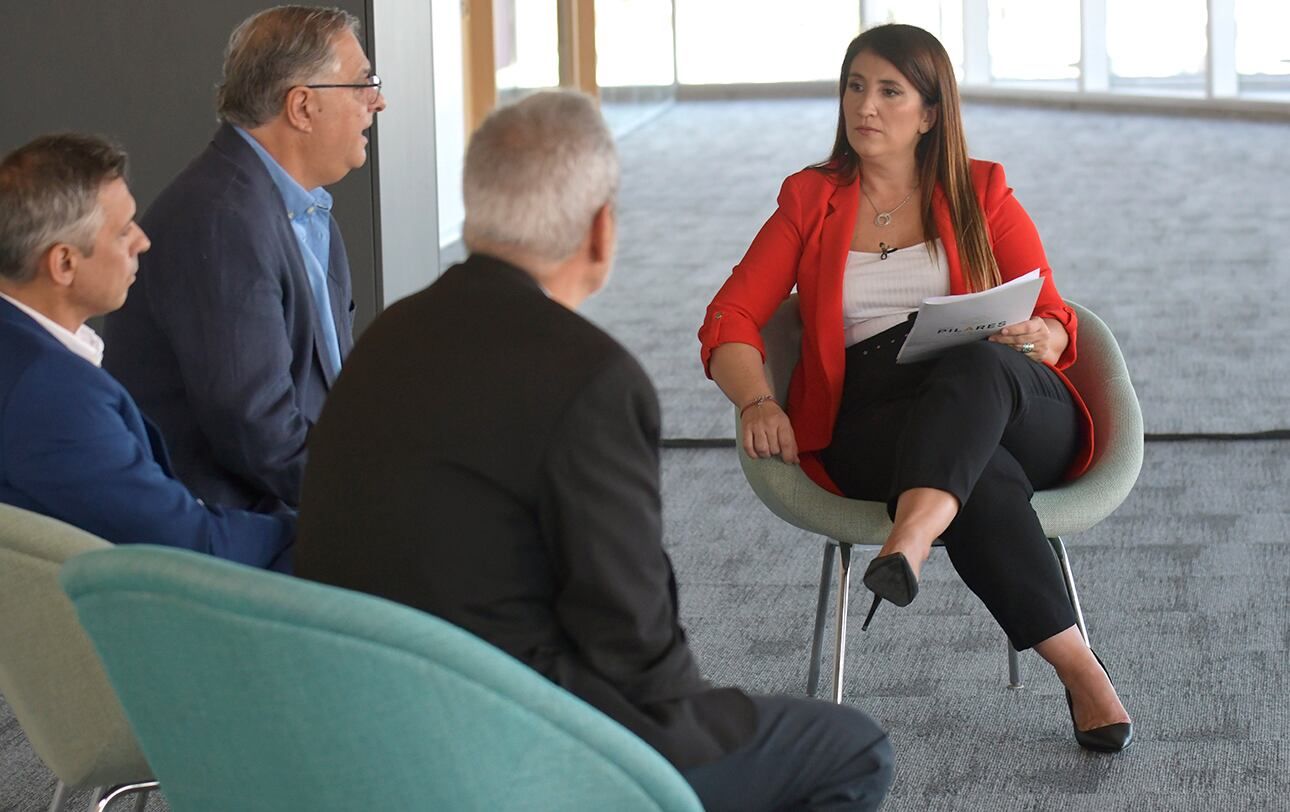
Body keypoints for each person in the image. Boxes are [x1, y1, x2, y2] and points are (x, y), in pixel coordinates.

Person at [297, 90, 893, 811]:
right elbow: (632, 642)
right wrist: (698, 720)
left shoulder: (388, 337)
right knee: (851, 747)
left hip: (359, 722)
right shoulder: (592, 377)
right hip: (518, 734)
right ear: (601, 230)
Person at [699, 24, 1133, 753]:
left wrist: (1047, 336)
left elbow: (1052, 309)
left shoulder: (981, 188)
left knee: (973, 371)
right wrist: (758, 398)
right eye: (855, 87)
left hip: (1009, 397)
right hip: (878, 414)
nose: (865, 106)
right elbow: (730, 316)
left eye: (889, 91)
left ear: (930, 112)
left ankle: (913, 536)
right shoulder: (812, 199)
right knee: (979, 476)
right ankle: (1083, 672)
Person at [104, 5, 387, 514]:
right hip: (238, 538)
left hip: (297, 506)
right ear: (302, 107)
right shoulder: (220, 217)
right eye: (363, 84)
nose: (378, 101)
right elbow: (255, 427)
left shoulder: (306, 209)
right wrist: (366, 506)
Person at [0, 134, 293, 571]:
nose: (143, 241)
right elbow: (187, 544)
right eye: (123, 232)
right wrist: (315, 529)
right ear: (63, 263)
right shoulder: (54, 396)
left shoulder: (23, 351)